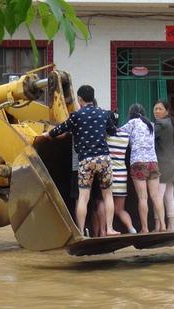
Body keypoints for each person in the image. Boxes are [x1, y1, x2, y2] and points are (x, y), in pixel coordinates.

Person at [38, 85, 120, 236]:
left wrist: (46, 135)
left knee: (83, 197)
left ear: (80, 99)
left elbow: (58, 130)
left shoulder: (76, 116)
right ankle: (109, 229)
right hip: (103, 159)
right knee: (107, 195)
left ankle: (81, 232)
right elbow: (113, 131)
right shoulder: (103, 114)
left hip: (86, 160)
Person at [119, 103, 166, 233]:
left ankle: (145, 228)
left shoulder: (132, 123)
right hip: (153, 162)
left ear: (131, 113)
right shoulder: (151, 124)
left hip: (138, 163)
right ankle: (163, 225)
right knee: (156, 196)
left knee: (143, 197)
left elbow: (117, 133)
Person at [107, 111, 137, 234]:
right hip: (122, 174)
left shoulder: (106, 136)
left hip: (109, 174)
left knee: (105, 203)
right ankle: (131, 228)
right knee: (120, 209)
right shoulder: (125, 137)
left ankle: (106, 230)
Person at [153, 100, 174, 231]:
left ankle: (158, 226)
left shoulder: (160, 124)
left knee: (158, 197)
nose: (157, 111)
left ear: (167, 111)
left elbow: (150, 136)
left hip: (162, 164)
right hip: (171, 163)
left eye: (160, 109)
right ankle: (171, 226)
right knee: (169, 196)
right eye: (155, 108)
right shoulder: (170, 123)